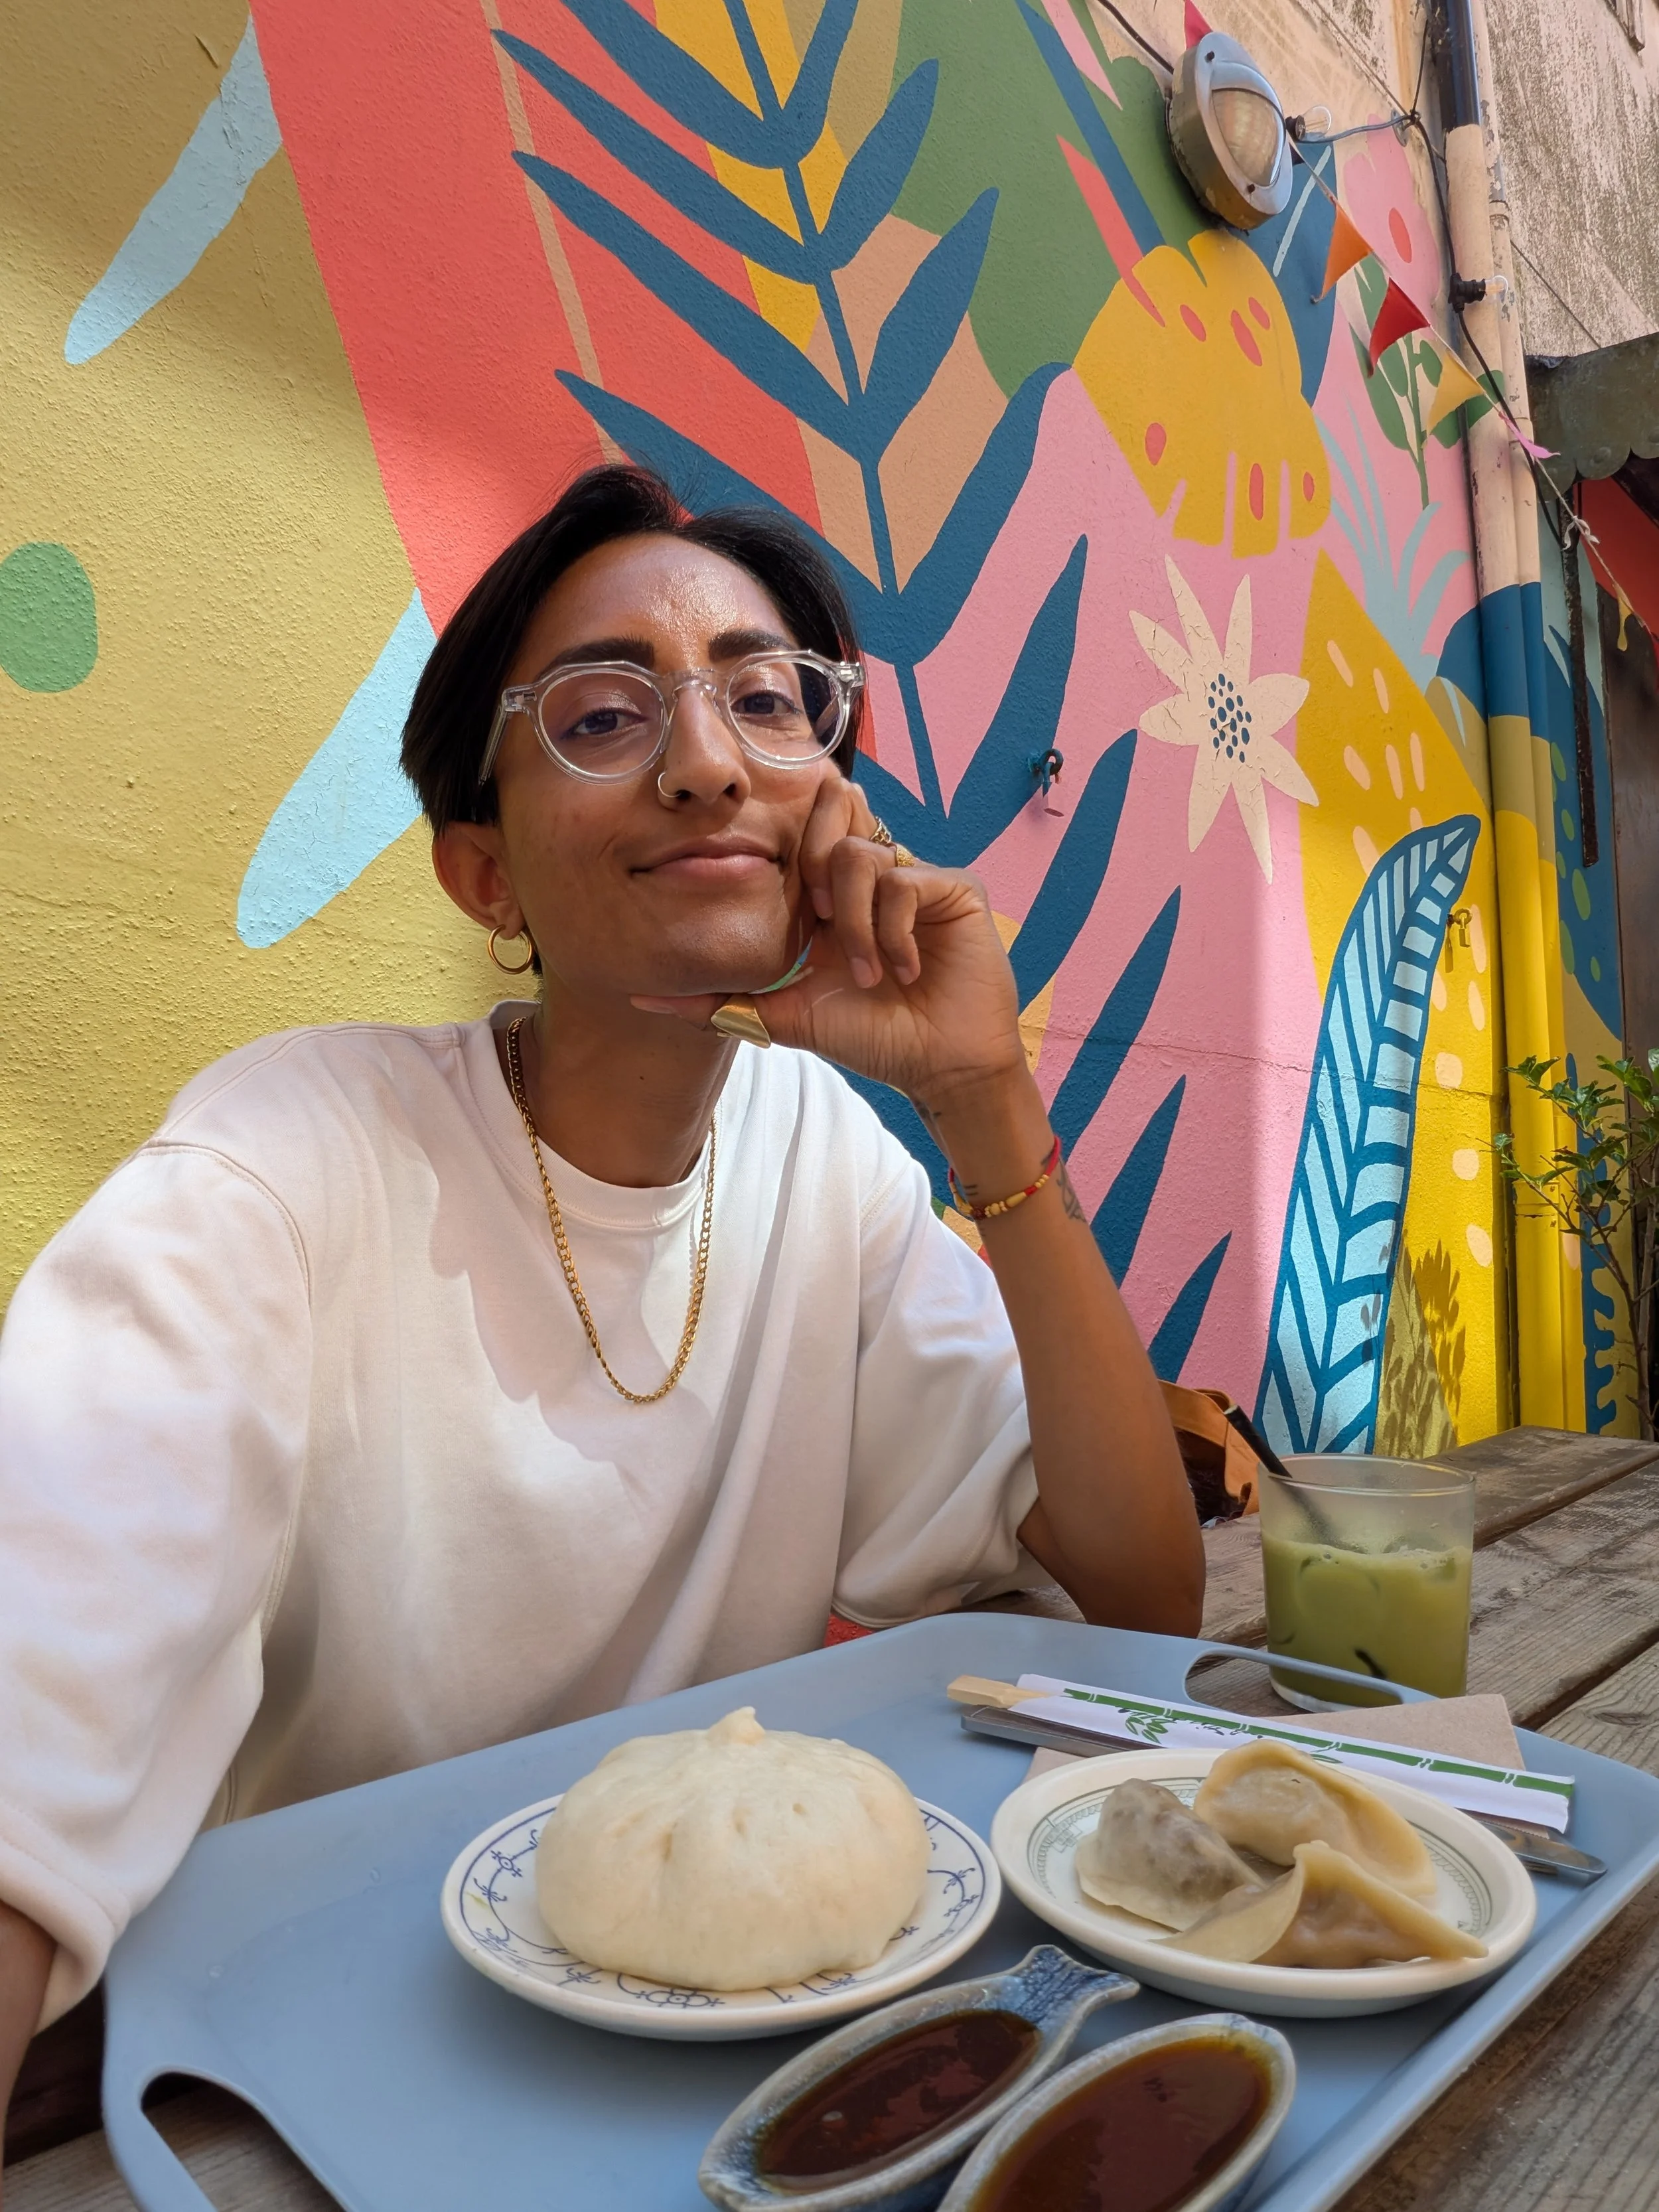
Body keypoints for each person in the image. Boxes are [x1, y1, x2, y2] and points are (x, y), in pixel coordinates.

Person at [0, 466, 1201, 2136]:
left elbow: (1143, 1604)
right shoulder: (286, 1164)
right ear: (481, 879)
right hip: (311, 2068)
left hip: (744, 2061)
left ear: (831, 801)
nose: (706, 759)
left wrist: (984, 1101)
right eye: (602, 711)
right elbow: (36, 1684)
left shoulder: (824, 1164)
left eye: (766, 700)